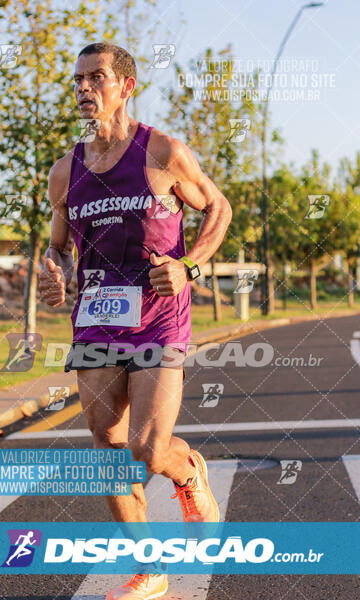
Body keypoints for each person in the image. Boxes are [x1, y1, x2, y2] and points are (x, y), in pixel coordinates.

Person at [39, 41, 232, 600]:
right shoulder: (64, 173)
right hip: (96, 320)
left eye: (96, 78)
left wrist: (189, 265)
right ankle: (150, 568)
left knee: (148, 447)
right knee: (107, 443)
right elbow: (57, 249)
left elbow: (216, 207)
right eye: (77, 79)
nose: (83, 88)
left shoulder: (163, 152)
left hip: (157, 319)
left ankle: (188, 471)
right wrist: (54, 273)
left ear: (126, 85)